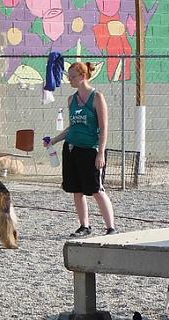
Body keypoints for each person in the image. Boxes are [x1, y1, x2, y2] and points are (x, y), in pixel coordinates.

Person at [44, 62, 117, 237]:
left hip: (90, 149)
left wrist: (100, 152)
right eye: (69, 77)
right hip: (71, 148)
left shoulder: (97, 97)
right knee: (76, 189)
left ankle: (111, 227)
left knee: (96, 189)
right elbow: (72, 127)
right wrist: (54, 140)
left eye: (73, 77)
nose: (70, 80)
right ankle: (84, 225)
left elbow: (104, 127)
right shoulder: (72, 99)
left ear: (83, 76)